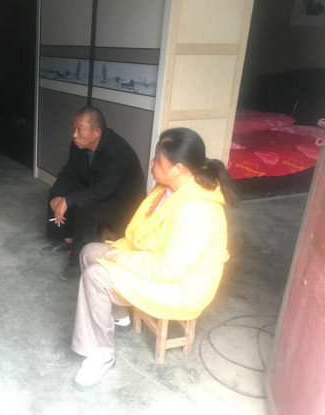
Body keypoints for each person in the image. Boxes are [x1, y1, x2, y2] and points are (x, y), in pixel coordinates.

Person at [70, 127, 238, 390]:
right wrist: (123, 254)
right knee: (89, 252)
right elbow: (147, 235)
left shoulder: (197, 210)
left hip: (181, 285)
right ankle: (119, 316)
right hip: (158, 261)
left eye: (158, 160)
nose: (151, 163)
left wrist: (122, 260)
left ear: (177, 168)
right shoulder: (171, 188)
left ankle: (101, 354)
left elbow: (169, 268)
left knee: (95, 276)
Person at [40, 107, 146, 281]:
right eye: (74, 128)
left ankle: (76, 263)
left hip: (122, 201)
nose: (74, 134)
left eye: (79, 129)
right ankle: (66, 240)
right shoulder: (78, 146)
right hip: (99, 189)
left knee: (85, 211)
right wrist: (58, 195)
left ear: (97, 132)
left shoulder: (119, 151)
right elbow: (69, 173)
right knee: (57, 193)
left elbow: (104, 189)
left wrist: (69, 200)